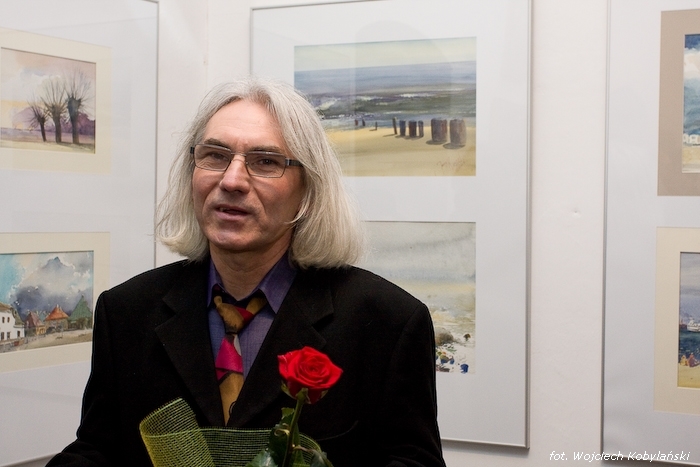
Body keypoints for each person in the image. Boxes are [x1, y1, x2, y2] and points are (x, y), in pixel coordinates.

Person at [47, 77, 445, 467]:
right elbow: (99, 449)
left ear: (308, 189)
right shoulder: (126, 311)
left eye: (265, 161)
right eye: (215, 156)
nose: (232, 180)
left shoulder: (387, 322)